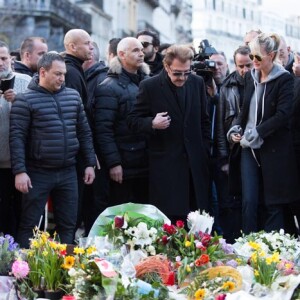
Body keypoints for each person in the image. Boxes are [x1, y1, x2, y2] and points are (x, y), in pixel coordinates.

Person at [9, 52, 96, 248]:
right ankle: (24, 272)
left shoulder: (73, 97)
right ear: (42, 72)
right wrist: (20, 172)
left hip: (68, 172)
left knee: (68, 225)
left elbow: (84, 132)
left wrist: (89, 163)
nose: (62, 78)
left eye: (63, 74)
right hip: (37, 172)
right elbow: (17, 139)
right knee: (30, 225)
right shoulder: (25, 100)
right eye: (57, 74)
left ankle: (65, 272)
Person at [127, 44, 211, 222]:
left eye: (186, 72)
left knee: (197, 221)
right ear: (166, 67)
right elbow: (133, 121)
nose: (182, 78)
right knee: (169, 222)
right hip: (166, 167)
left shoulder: (196, 83)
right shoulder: (150, 86)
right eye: (177, 73)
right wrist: (152, 123)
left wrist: (204, 150)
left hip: (195, 166)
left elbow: (204, 120)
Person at [227, 33, 299, 234]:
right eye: (252, 56)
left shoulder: (284, 78)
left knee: (273, 202)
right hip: (248, 148)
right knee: (249, 200)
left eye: (258, 57)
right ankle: (247, 247)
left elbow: (283, 114)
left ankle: (272, 252)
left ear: (272, 55)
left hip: (273, 148)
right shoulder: (251, 77)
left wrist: (258, 131)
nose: (253, 61)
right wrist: (236, 129)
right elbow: (245, 110)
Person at [94, 37, 150, 205]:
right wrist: (114, 163)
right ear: (121, 54)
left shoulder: (148, 82)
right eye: (135, 50)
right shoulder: (108, 87)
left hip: (146, 161)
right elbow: (104, 130)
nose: (141, 54)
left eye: (141, 50)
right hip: (124, 163)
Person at [216, 45, 253, 241]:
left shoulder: (259, 83)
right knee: (233, 202)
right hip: (233, 152)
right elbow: (221, 128)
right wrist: (224, 159)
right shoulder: (227, 87)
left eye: (248, 65)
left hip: (253, 149)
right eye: (240, 66)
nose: (244, 70)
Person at [0, 41, 31, 236]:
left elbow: (39, 112)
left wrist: (18, 99)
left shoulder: (25, 81)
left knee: (21, 215)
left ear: (11, 59)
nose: (0, 63)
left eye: (3, 58)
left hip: (23, 164)